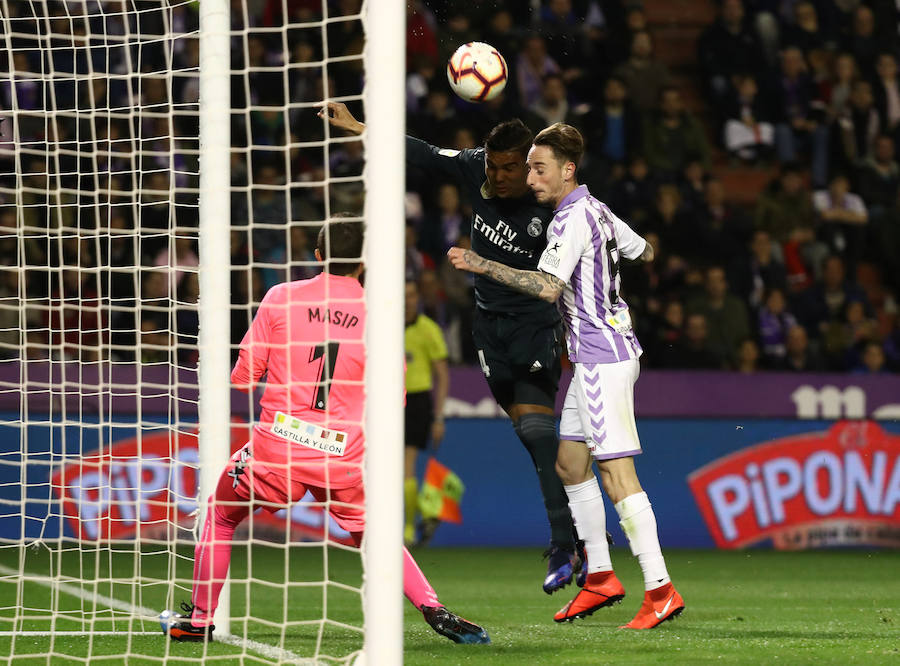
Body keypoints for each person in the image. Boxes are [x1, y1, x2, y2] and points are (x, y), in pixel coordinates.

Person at [159, 218, 489, 645]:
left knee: (220, 516)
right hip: (340, 454)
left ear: (318, 256)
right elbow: (395, 401)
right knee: (376, 536)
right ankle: (433, 607)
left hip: (278, 449)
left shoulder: (281, 298)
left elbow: (243, 376)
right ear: (365, 262)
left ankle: (200, 619)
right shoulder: (381, 315)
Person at [319, 101, 584, 595]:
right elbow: (418, 152)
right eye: (493, 165)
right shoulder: (473, 171)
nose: (500, 177)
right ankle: (579, 530)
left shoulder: (550, 205)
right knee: (530, 435)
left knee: (536, 429)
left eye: (511, 168)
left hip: (533, 327)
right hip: (487, 328)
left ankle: (566, 543)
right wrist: (360, 126)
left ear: (530, 166)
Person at [447, 123, 684, 629]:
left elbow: (549, 288)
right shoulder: (597, 209)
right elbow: (645, 251)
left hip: (601, 358)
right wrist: (613, 298)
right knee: (570, 465)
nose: (531, 177)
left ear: (567, 170)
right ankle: (599, 577)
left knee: (617, 476)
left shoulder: (570, 220)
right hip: (601, 351)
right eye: (529, 167)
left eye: (539, 168)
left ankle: (660, 588)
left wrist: (481, 264)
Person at [403, 279, 450, 546]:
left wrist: (439, 416)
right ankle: (425, 512)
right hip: (385, 401)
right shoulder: (381, 326)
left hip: (417, 401)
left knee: (406, 465)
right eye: (403, 295)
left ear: (417, 298)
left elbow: (442, 375)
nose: (407, 300)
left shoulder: (428, 330)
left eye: (411, 295)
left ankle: (409, 530)